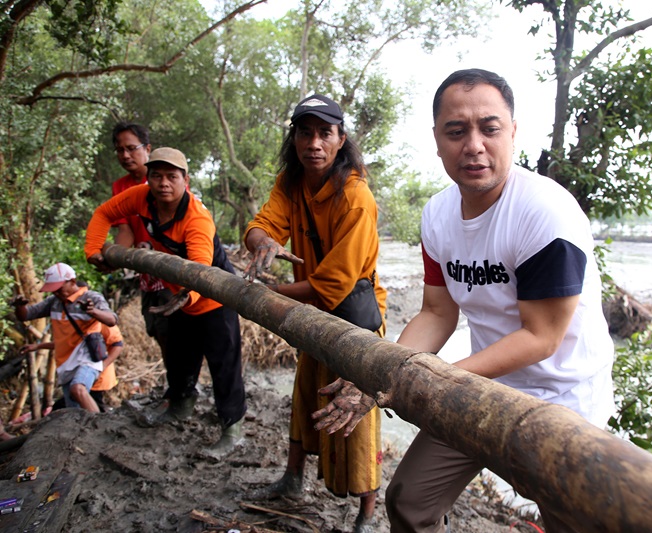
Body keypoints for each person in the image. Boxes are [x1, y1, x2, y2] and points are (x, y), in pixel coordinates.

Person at [313, 69, 615, 533]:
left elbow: (541, 337)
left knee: (569, 522)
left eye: (489, 129)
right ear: (437, 139)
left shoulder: (544, 213)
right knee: (410, 502)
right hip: (484, 388)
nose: (473, 144)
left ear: (512, 133)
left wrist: (417, 376)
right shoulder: (437, 215)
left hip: (565, 399)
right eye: (456, 131)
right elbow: (437, 312)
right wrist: (382, 370)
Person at [242, 93, 386, 533]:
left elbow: (333, 283)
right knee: (305, 393)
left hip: (355, 320)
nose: (314, 143)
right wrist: (261, 242)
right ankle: (292, 479)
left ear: (341, 139)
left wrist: (274, 293)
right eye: (305, 132)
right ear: (295, 139)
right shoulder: (291, 183)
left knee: (355, 410)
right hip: (314, 313)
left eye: (325, 133)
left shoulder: (356, 197)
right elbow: (262, 223)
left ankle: (366, 512)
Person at [84, 147, 247, 460]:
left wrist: (188, 295)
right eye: (156, 176)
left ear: (184, 180)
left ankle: (232, 430)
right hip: (178, 299)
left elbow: (201, 270)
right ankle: (180, 406)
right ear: (148, 178)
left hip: (213, 299)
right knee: (178, 357)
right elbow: (104, 213)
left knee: (224, 365)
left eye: (172, 177)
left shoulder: (197, 219)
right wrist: (93, 250)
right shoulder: (140, 198)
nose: (163, 184)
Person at [12, 263, 119, 413]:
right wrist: (19, 307)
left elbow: (112, 320)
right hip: (66, 362)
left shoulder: (91, 297)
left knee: (78, 389)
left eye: (59, 289)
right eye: (53, 290)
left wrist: (93, 311)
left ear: (72, 282)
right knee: (73, 409)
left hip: (88, 358)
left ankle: (99, 426)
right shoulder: (54, 302)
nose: (56, 293)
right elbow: (26, 315)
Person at [110, 122, 172, 359]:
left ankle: (183, 389)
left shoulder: (165, 177)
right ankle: (177, 387)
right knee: (154, 327)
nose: (125, 155)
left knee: (173, 328)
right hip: (146, 270)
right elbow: (124, 229)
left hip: (170, 268)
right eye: (119, 150)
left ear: (147, 148)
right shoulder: (120, 187)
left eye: (131, 148)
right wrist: (114, 256)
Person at [21, 321, 124, 413]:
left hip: (96, 376)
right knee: (72, 406)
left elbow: (118, 344)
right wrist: (38, 346)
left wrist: (103, 365)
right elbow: (67, 344)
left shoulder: (101, 320)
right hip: (79, 373)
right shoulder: (74, 320)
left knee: (82, 404)